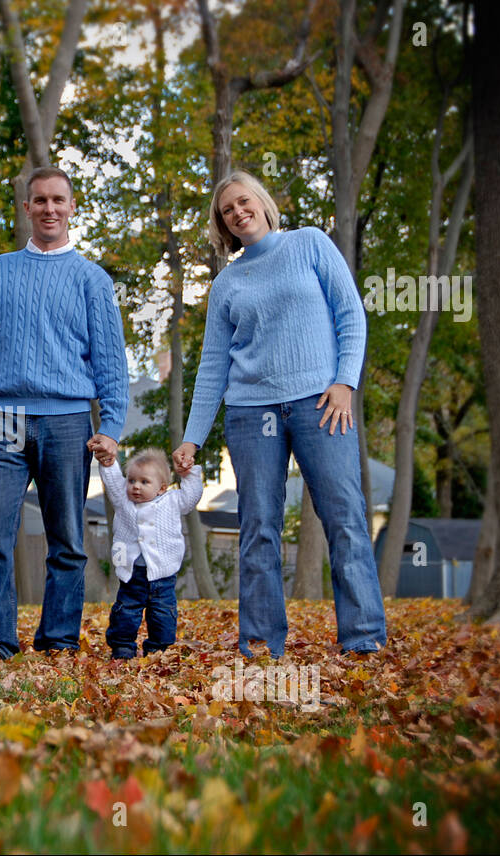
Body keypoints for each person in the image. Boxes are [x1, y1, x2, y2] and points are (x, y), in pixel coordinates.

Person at [171, 170, 386, 658]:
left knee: (345, 517)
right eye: (227, 210)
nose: (237, 212)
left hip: (321, 406)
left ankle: (363, 637)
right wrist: (192, 438)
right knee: (258, 527)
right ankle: (261, 643)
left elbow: (350, 314)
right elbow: (212, 365)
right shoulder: (226, 283)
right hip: (251, 414)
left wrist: (345, 383)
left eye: (243, 202)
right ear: (222, 224)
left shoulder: (310, 244)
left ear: (262, 203)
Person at [0, 166, 129, 660]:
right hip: (1, 419)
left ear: (72, 207)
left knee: (68, 542)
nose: (49, 208)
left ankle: (57, 642)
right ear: (26, 208)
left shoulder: (92, 280)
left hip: (69, 420)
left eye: (58, 200)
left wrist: (111, 425)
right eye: (40, 200)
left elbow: (111, 362)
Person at [97, 447, 203, 659]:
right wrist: (108, 463)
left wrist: (188, 474)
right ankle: (122, 648)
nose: (136, 486)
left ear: (162, 487)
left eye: (144, 482)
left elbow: (191, 496)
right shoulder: (123, 501)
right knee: (125, 612)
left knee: (163, 615)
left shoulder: (172, 501)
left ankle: (158, 651)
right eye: (132, 480)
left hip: (163, 576)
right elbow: (113, 481)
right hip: (132, 573)